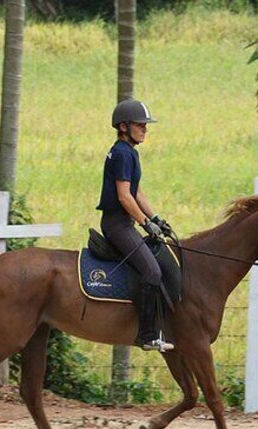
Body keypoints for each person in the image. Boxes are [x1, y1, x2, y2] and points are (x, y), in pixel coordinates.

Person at [97, 99, 174, 352]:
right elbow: (124, 196)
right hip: (118, 225)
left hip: (125, 222)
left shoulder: (129, 152)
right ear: (123, 126)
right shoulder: (121, 153)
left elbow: (137, 192)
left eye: (145, 125)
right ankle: (147, 335)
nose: (145, 129)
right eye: (140, 125)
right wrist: (144, 223)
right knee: (152, 271)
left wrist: (156, 220)